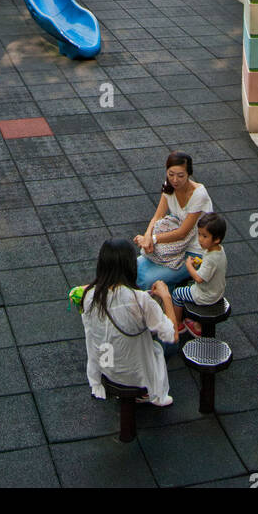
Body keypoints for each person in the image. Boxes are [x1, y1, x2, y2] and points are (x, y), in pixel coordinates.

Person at [80, 238, 178, 407]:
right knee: (168, 343)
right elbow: (172, 335)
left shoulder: (89, 295)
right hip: (135, 373)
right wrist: (166, 297)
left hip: (106, 364)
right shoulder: (140, 300)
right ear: (131, 265)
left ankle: (116, 385)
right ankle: (146, 391)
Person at [133, 151, 213, 290]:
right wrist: (147, 236)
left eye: (180, 175)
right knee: (131, 269)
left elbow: (183, 232)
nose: (175, 180)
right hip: (174, 245)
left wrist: (153, 238)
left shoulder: (199, 195)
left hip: (194, 251)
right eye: (171, 174)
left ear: (189, 174)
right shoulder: (169, 186)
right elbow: (157, 216)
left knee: (147, 281)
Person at [165, 212, 228, 338]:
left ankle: (178, 324)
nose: (200, 239)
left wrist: (189, 265)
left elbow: (199, 278)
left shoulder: (211, 259)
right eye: (199, 234)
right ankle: (198, 324)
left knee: (177, 294)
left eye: (205, 236)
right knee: (189, 285)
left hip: (206, 295)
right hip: (218, 291)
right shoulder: (218, 250)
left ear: (216, 239)